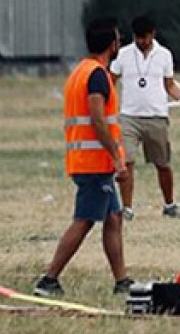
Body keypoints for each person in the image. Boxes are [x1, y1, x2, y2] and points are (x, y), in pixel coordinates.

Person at [34, 17, 133, 297]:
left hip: (88, 160)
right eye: (118, 40)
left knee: (113, 217)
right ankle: (49, 279)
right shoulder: (97, 75)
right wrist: (116, 157)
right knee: (85, 219)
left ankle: (122, 281)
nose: (119, 45)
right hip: (95, 163)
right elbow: (97, 118)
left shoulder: (82, 70)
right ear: (111, 45)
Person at [110, 15, 180, 220]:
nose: (142, 42)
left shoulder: (164, 55)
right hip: (129, 118)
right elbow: (111, 81)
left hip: (156, 118)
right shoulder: (123, 55)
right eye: (138, 38)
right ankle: (127, 209)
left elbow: (170, 86)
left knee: (163, 164)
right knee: (127, 162)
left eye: (146, 38)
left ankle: (169, 205)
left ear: (153, 34)